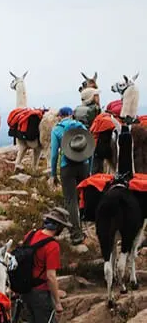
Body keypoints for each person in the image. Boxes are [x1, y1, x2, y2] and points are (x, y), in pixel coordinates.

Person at [2, 207, 72, 323]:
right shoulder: (52, 246)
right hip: (41, 292)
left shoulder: (31, 235)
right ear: (59, 227)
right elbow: (51, 277)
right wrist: (57, 302)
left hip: (25, 290)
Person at [49, 107, 92, 249]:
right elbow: (91, 150)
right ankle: (87, 228)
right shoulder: (82, 127)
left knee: (70, 200)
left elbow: (54, 154)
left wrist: (53, 174)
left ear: (60, 116)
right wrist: (90, 170)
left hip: (67, 167)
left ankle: (76, 235)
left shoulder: (57, 130)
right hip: (84, 165)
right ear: (71, 115)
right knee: (83, 197)